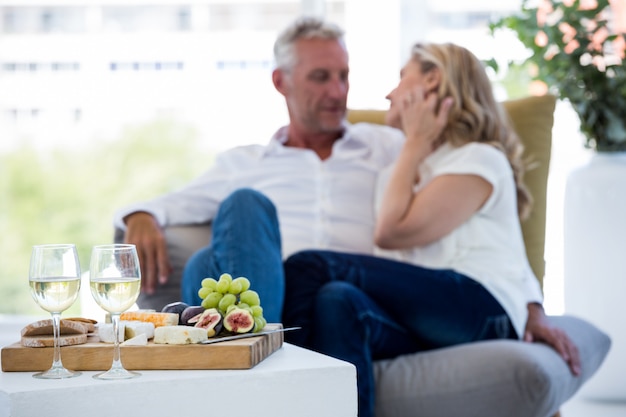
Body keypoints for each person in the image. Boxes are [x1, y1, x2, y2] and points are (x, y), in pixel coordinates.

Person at [281, 42, 581, 417]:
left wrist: (415, 143)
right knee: (337, 298)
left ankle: (284, 397)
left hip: (481, 311)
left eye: (402, 78)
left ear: (433, 80)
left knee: (308, 267)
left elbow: (391, 232)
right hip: (427, 319)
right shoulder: (397, 175)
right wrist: (413, 152)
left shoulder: (478, 157)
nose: (390, 93)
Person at [113, 16, 405, 322]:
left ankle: (253, 352)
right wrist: (141, 215)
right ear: (281, 82)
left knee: (202, 265)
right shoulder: (246, 163)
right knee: (244, 204)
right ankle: (262, 338)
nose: (337, 91)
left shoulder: (385, 146)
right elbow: (173, 203)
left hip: (350, 304)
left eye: (343, 76)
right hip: (279, 300)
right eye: (320, 77)